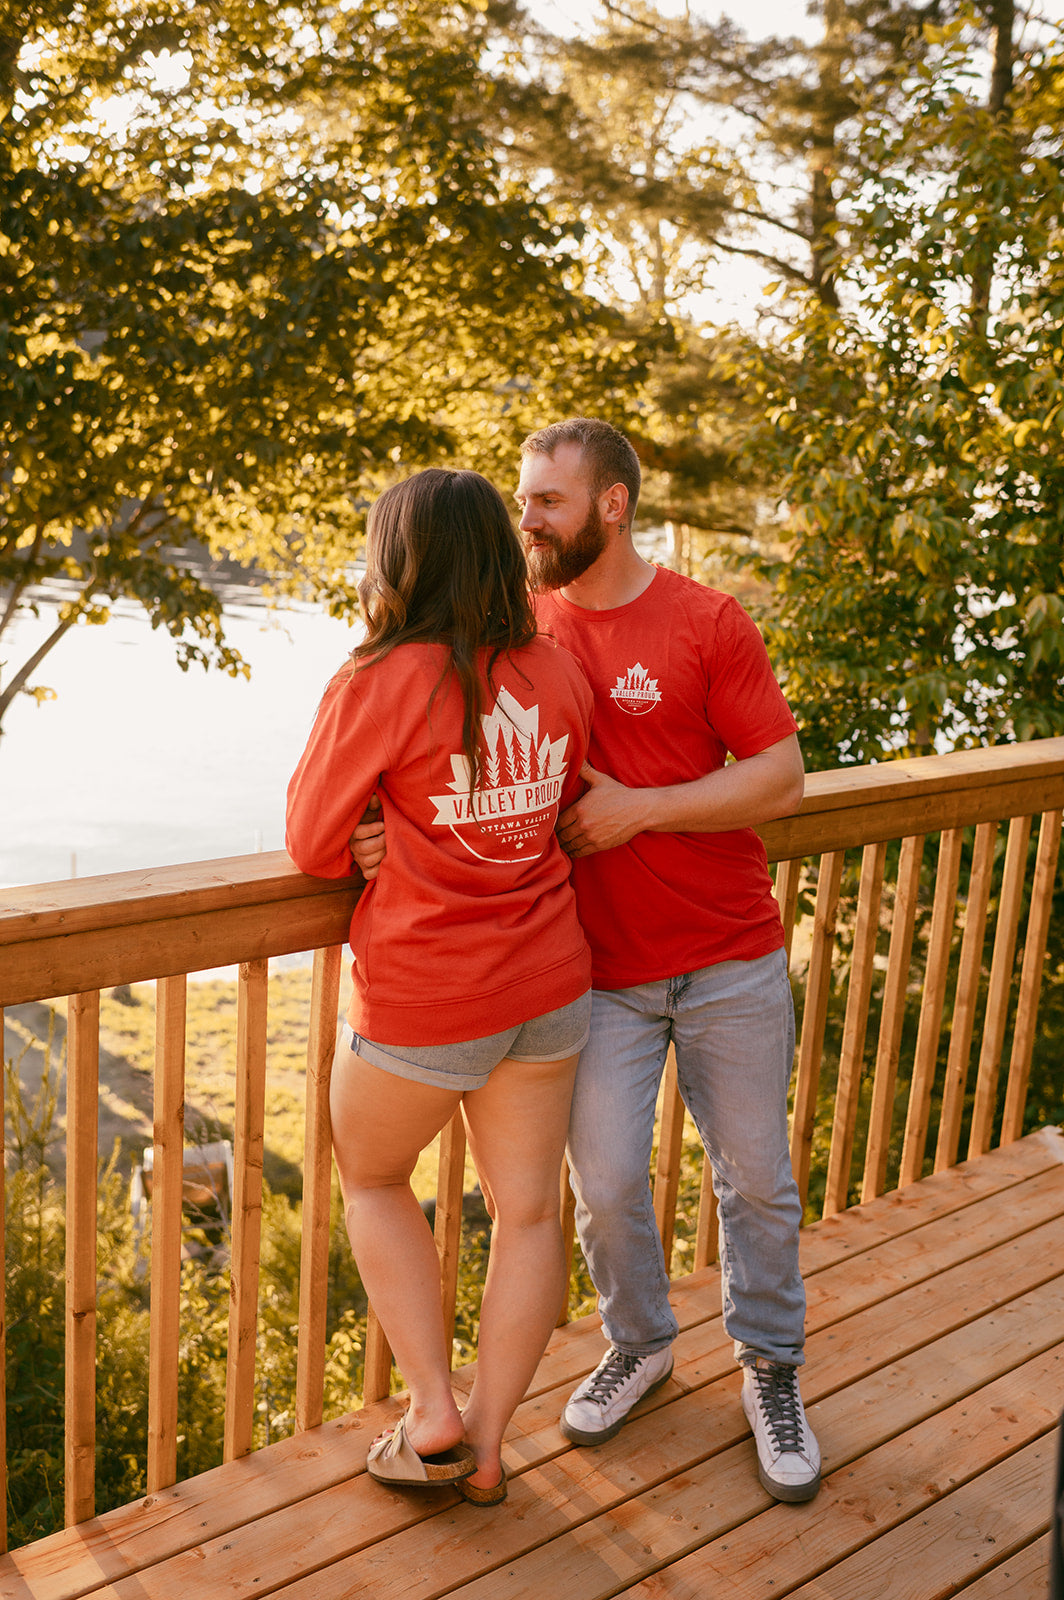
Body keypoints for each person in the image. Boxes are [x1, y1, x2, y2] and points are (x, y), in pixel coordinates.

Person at [353, 421, 821, 1505]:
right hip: (592, 973)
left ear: (611, 505)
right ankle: (641, 1341)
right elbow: (444, 752)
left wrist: (640, 812)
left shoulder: (705, 619)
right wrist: (371, 834)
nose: (526, 520)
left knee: (754, 1179)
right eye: (520, 500)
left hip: (727, 956)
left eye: (548, 503)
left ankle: (771, 1367)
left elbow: (783, 776)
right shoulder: (519, 631)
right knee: (603, 1184)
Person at [286, 468, 594, 1506]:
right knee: (529, 1214)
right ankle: (493, 1448)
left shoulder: (375, 680)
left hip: (425, 992)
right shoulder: (554, 669)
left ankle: (432, 1414)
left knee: (373, 1179)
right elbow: (555, 804)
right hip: (547, 979)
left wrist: (371, 835)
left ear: (398, 559)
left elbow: (309, 839)